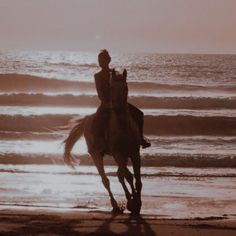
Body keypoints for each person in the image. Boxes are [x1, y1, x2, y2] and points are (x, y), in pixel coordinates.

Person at [93, 49, 151, 149]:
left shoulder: (115, 74)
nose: (100, 62)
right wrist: (108, 102)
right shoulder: (97, 76)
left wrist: (122, 100)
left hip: (120, 103)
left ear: (108, 61)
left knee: (139, 114)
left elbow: (123, 88)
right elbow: (100, 93)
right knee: (97, 121)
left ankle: (141, 138)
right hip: (106, 104)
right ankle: (99, 143)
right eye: (99, 60)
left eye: (102, 60)